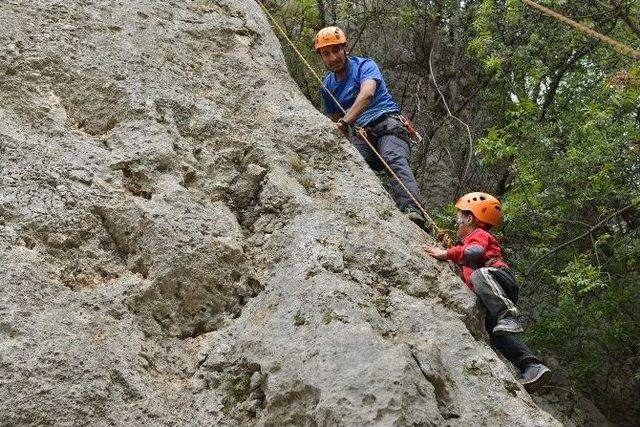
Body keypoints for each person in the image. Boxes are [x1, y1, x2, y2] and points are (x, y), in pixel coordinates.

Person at [422, 192, 552, 392]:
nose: (457, 224)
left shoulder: (479, 235)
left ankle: (508, 315)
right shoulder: (470, 241)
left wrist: (446, 253)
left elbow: (475, 252)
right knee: (495, 332)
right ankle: (531, 366)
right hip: (494, 292)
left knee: (478, 276)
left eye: (459, 220)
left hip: (498, 277)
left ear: (470, 218)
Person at [315, 26, 425, 228]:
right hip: (361, 136)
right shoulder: (327, 87)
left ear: (345, 48)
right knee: (353, 166)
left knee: (393, 157)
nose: (333, 58)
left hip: (387, 124)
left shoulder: (364, 66)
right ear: (321, 57)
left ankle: (413, 210)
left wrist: (346, 121)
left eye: (336, 50)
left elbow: (367, 94)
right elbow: (336, 121)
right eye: (326, 53)